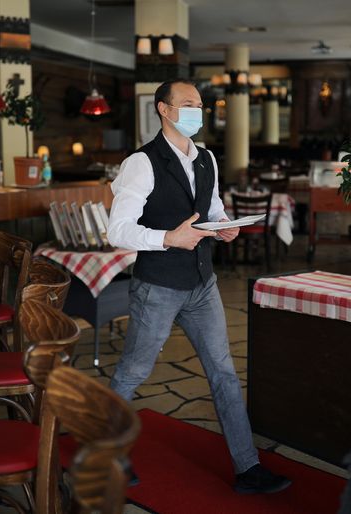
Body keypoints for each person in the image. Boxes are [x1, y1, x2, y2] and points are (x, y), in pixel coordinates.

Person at [107, 79, 291, 495]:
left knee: (225, 373)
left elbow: (211, 208)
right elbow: (117, 230)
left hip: (203, 284)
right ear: (164, 110)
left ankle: (248, 468)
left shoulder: (206, 157)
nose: (198, 111)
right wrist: (168, 238)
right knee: (132, 373)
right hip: (158, 286)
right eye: (188, 104)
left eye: (201, 105)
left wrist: (225, 227)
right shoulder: (141, 162)